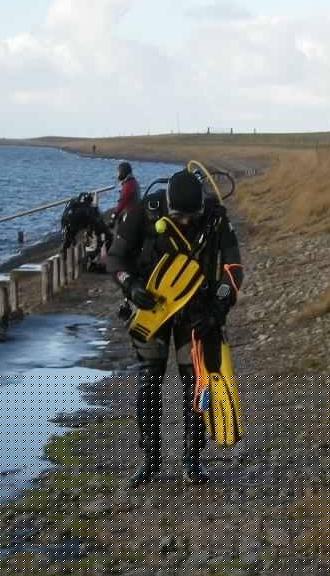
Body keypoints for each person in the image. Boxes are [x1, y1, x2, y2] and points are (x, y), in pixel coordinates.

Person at [106, 167, 244, 487]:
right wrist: (130, 286)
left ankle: (192, 462)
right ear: (167, 205)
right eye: (179, 216)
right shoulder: (144, 212)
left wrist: (219, 309)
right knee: (149, 381)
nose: (185, 222)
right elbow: (115, 259)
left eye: (191, 216)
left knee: (196, 384)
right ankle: (150, 461)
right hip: (151, 309)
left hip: (195, 312)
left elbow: (234, 268)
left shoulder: (214, 217)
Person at [111, 162, 141, 227]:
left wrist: (114, 216)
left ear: (123, 173)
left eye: (118, 173)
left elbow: (122, 201)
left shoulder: (128, 185)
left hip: (131, 214)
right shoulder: (133, 181)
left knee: (120, 230)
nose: (117, 175)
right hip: (136, 211)